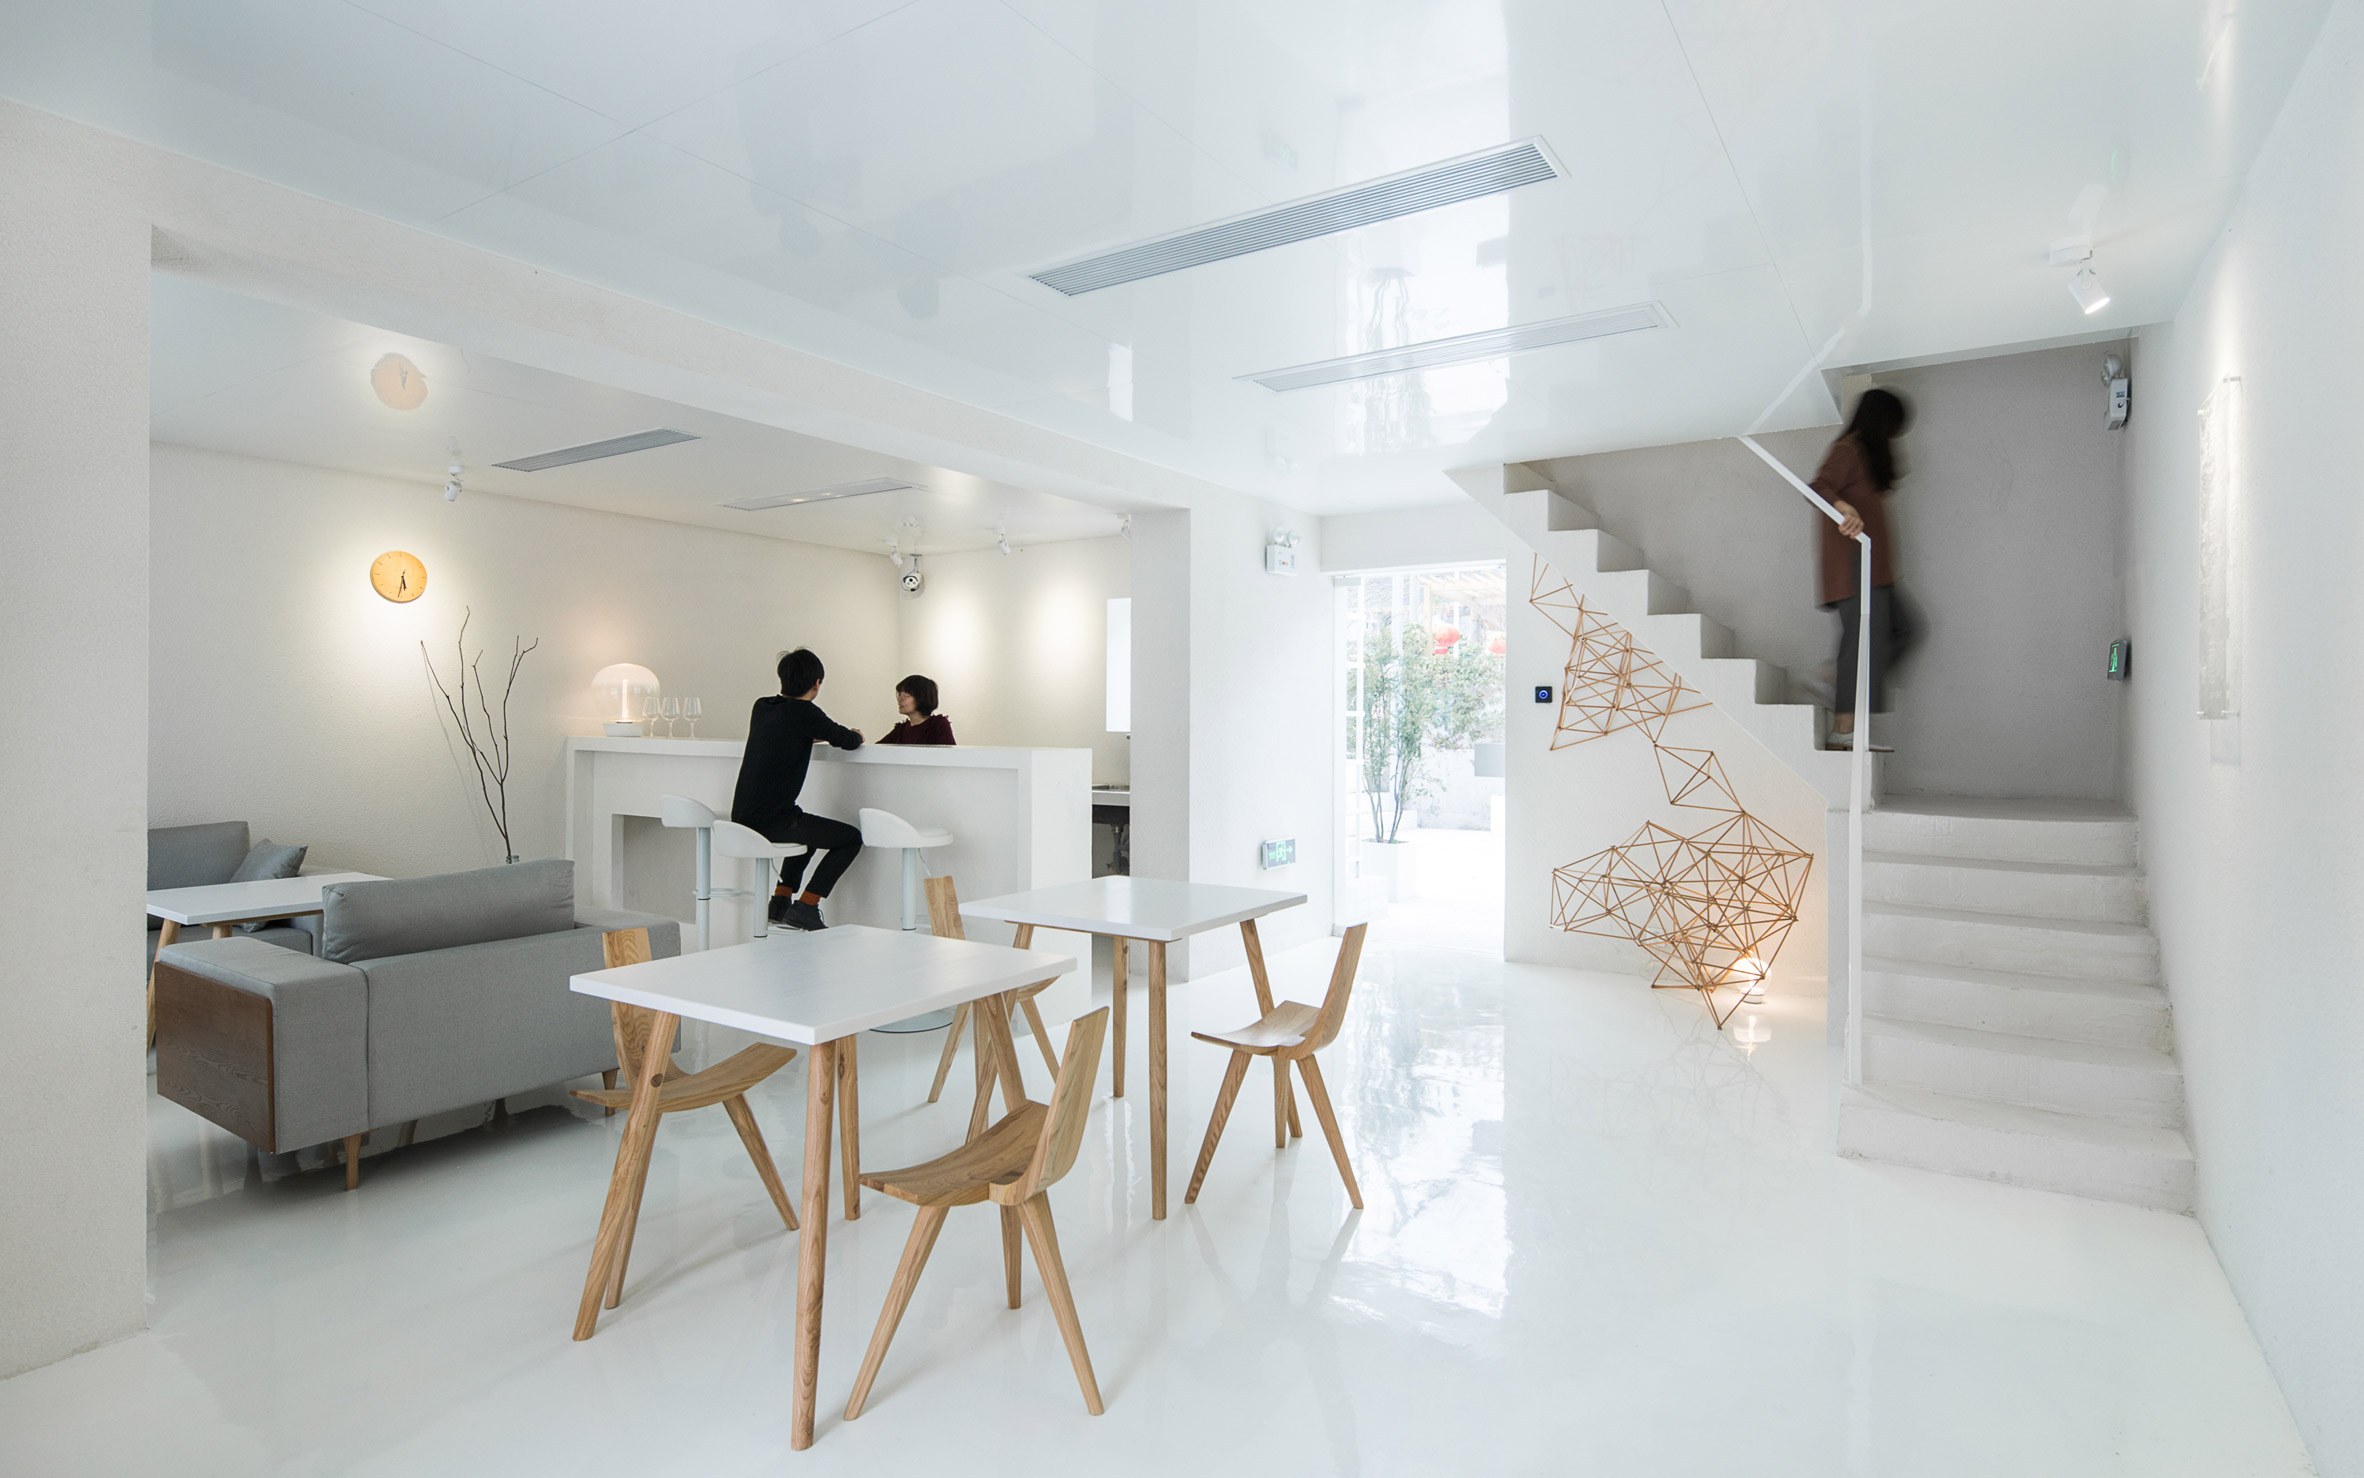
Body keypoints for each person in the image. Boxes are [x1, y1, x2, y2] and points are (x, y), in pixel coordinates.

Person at [731, 648, 864, 930]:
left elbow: (786, 731)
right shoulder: (806, 713)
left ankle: (780, 901)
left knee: (808, 829)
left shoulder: (762, 706)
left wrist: (808, 736)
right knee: (851, 839)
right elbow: (848, 740)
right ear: (817, 684)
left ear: (782, 679)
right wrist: (857, 734)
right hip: (772, 822)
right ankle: (806, 906)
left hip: (742, 817)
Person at [1811, 387, 1913, 751]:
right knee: (1859, 648)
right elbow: (1818, 487)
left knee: (1905, 629)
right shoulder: (1850, 449)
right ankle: (1842, 733)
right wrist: (1843, 507)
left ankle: (1842, 682)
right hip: (1854, 567)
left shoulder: (1868, 457)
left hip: (1877, 570)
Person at [876, 674, 956, 745]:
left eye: (905, 695)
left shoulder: (938, 724)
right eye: (899, 694)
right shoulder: (901, 729)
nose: (899, 699)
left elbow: (948, 756)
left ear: (920, 698)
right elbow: (878, 750)